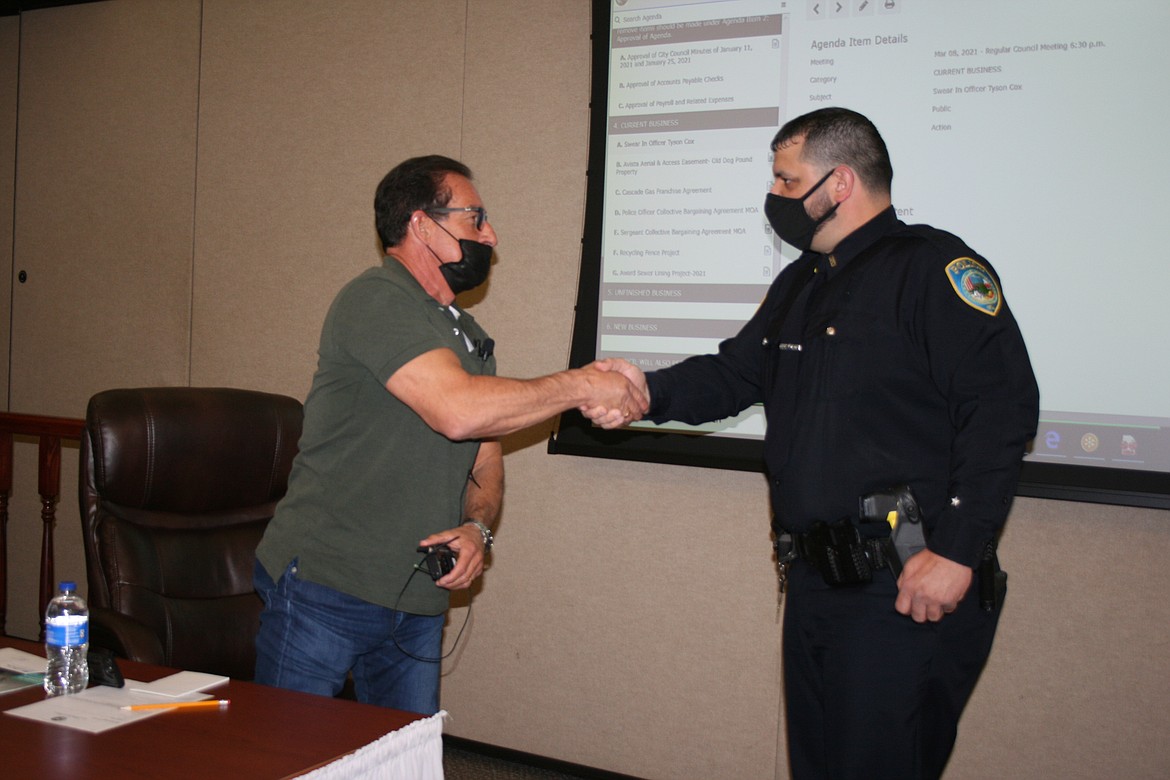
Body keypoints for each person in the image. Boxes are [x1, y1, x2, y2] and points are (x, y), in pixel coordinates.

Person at [590, 108, 1039, 779]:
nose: (774, 195)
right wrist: (646, 392)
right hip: (816, 582)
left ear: (841, 182)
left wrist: (957, 550)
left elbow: (1002, 410)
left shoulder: (933, 268)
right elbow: (736, 374)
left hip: (902, 584)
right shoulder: (803, 280)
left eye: (787, 179)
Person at [253, 155, 648, 715]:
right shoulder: (377, 298)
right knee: (289, 754)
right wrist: (583, 385)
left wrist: (476, 528)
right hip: (327, 585)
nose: (491, 235)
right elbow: (457, 412)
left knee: (406, 754)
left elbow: (484, 461)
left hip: (416, 594)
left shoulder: (468, 334)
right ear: (421, 224)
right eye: (475, 218)